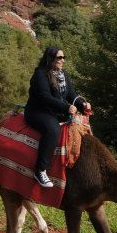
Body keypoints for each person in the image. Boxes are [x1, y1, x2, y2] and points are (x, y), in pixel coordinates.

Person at [24, 46, 91, 188]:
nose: (62, 60)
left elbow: (71, 95)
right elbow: (44, 97)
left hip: (56, 111)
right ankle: (40, 170)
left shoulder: (63, 74)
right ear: (50, 58)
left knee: (81, 125)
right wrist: (67, 107)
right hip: (38, 112)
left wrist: (82, 104)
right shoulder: (40, 74)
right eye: (59, 57)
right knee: (53, 130)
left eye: (63, 57)